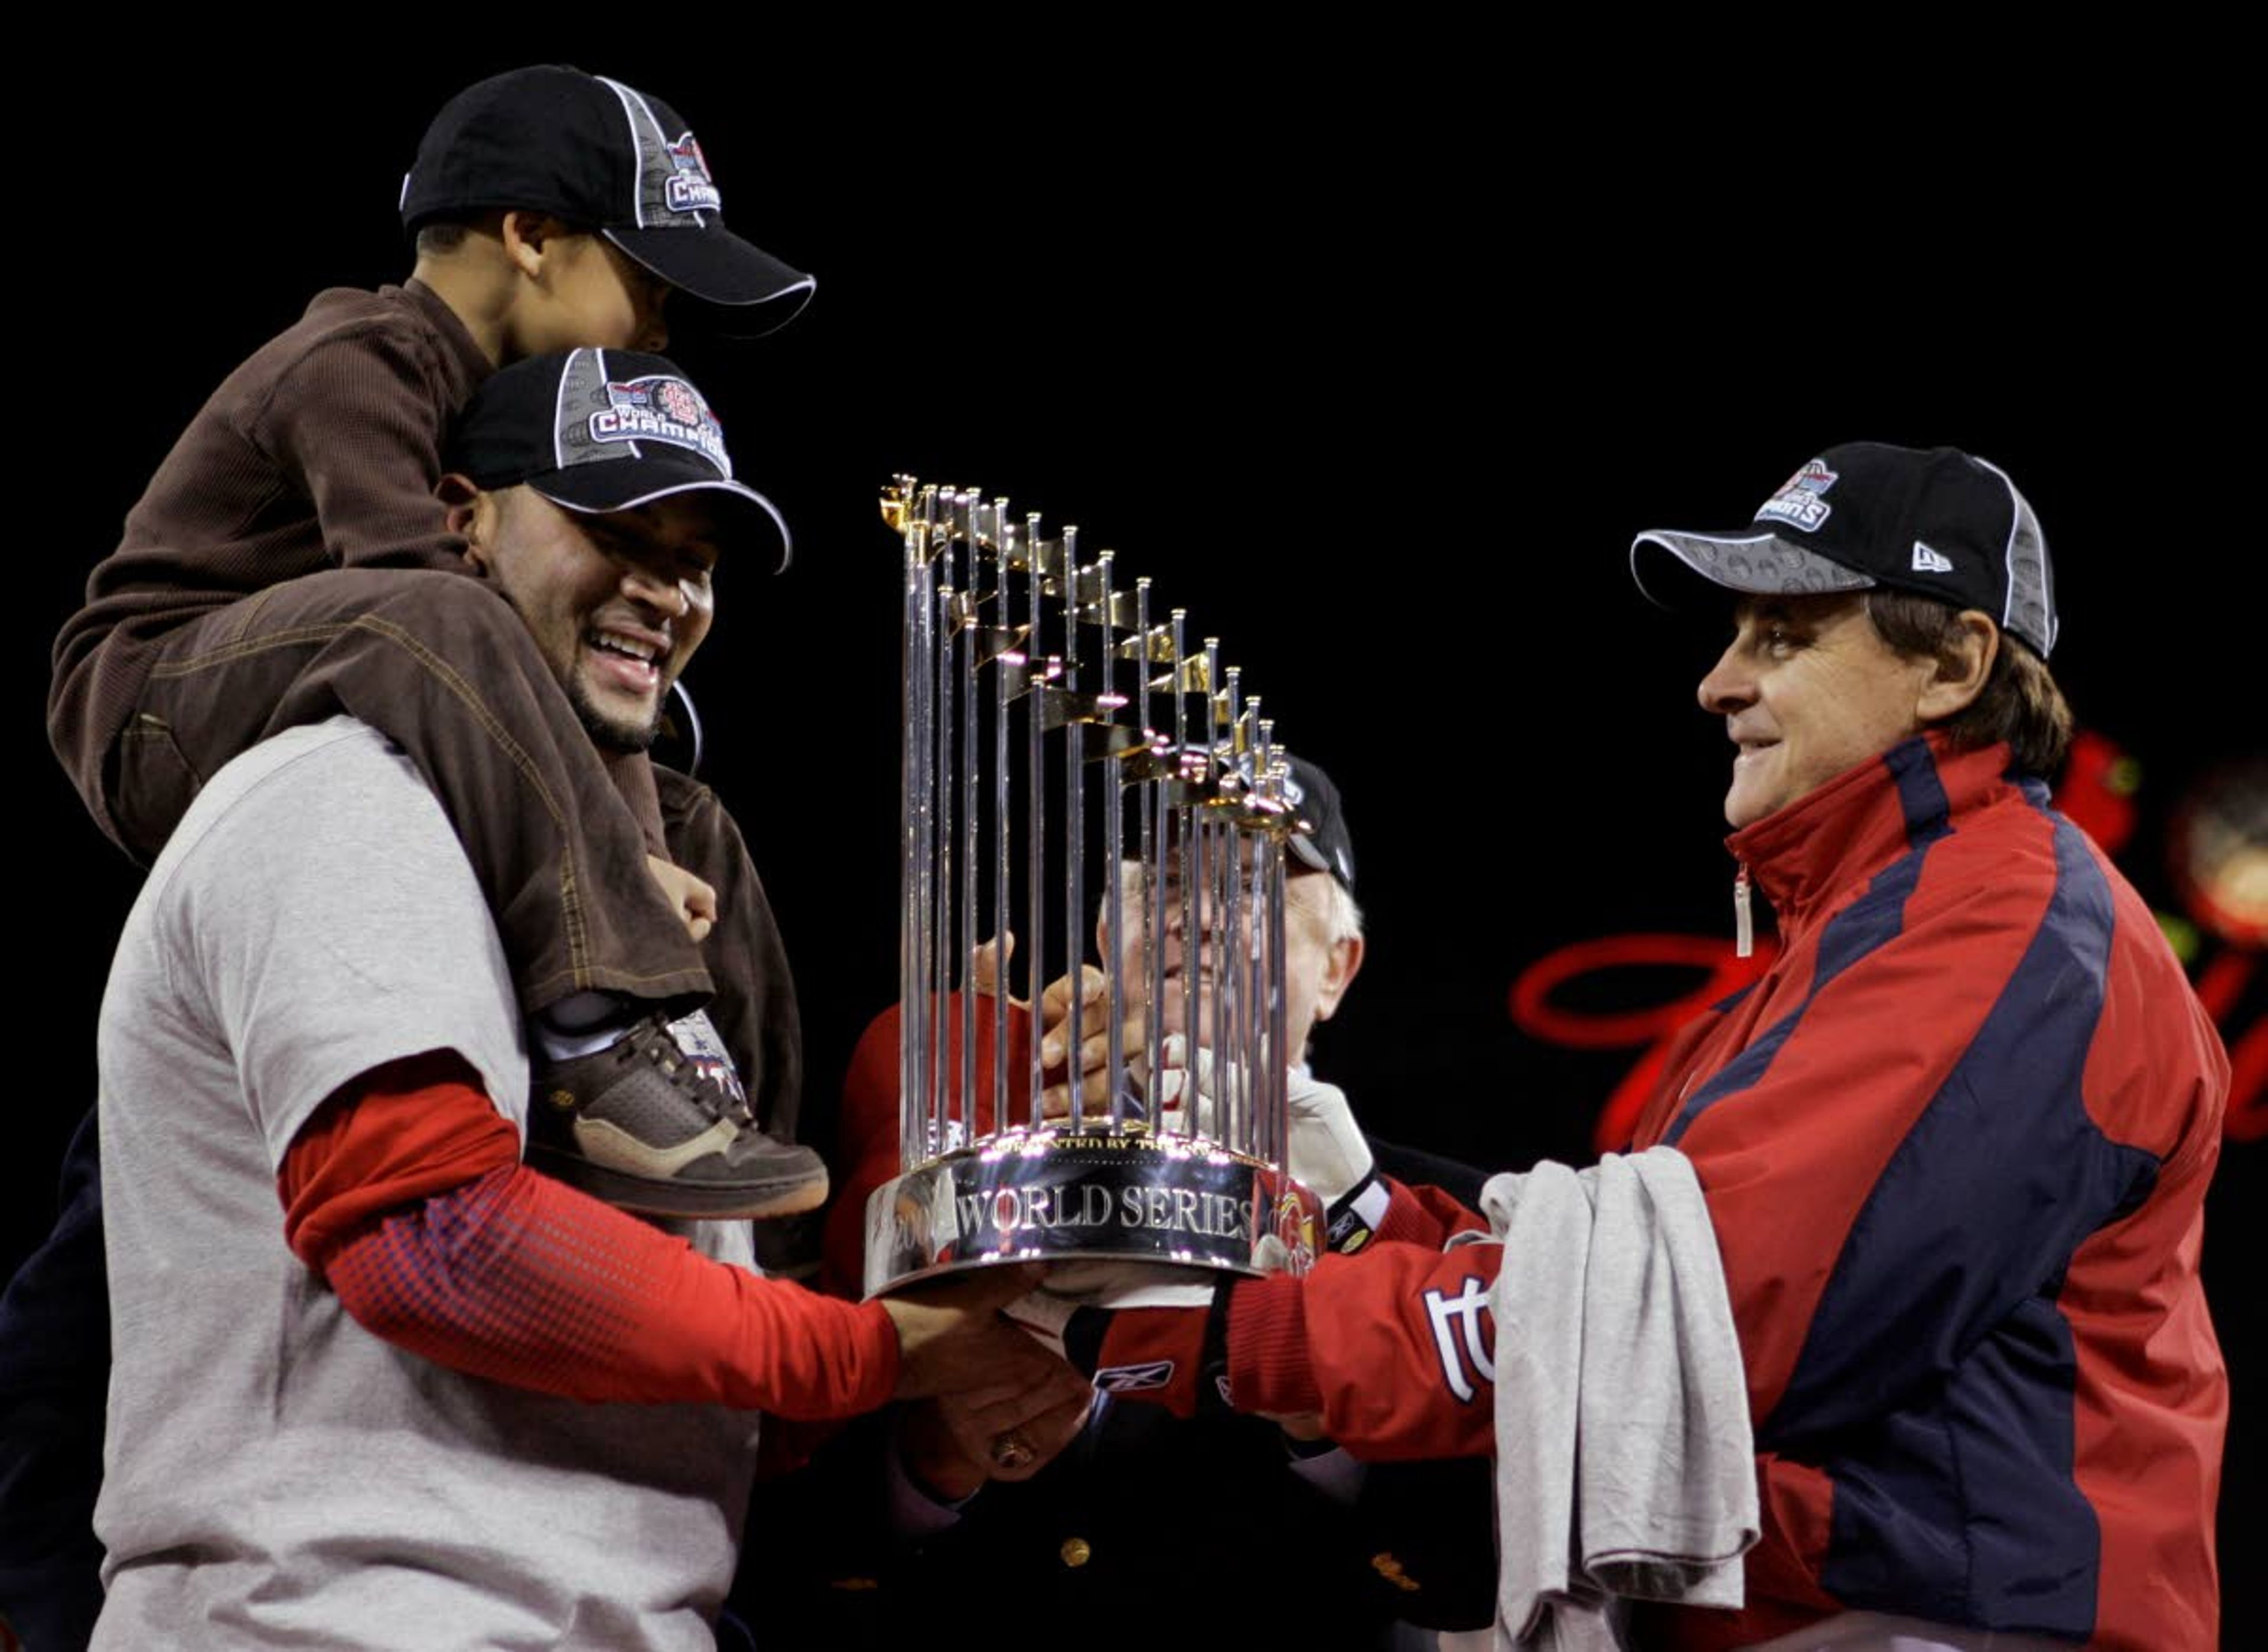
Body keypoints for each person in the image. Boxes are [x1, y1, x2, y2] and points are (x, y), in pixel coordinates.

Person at [1064, 445, 2230, 1651]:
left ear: (1952, 664)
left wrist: (1238, 1336)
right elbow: (1623, 1278)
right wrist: (1357, 1219)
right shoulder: (1873, 930)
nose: (1719, 682)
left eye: (1784, 634)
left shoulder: (2003, 924)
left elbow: (1707, 1314)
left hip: (1931, 1623)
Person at [80, 350, 1070, 1650]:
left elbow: (727, 1407)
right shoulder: (341, 796)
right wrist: (873, 1351)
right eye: (610, 527)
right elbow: (439, 1247)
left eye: (696, 558)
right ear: (461, 518)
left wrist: (936, 1229)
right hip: (338, 1622)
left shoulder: (632, 908)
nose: (661, 587)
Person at [47, 63, 820, 1219]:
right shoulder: (361, 360)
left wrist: (644, 831)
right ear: (530, 236)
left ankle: (742, 1144)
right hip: (152, 697)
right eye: (649, 283)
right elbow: (418, 601)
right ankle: (594, 1030)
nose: (662, 328)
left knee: (668, 778)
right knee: (455, 619)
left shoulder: (460, 393)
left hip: (318, 665)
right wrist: (608, 864)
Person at [761, 754, 1497, 1650]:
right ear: (1113, 932)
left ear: (1339, 968)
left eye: (1251, 885)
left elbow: (1471, 1573)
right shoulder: (987, 1154)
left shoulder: (1436, 1217)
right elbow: (784, 1533)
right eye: (1170, 885)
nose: (1200, 915)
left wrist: (1321, 1405)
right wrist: (936, 1456)